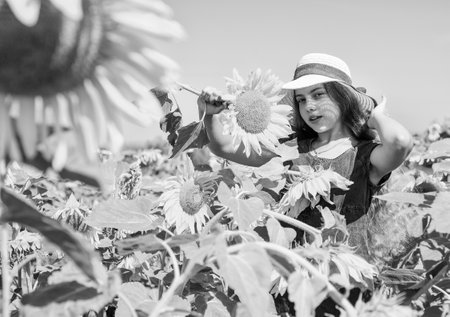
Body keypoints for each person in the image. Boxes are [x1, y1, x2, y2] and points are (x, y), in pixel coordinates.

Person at [198, 53, 414, 315]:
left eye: (319, 94)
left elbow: (400, 141)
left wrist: (374, 115)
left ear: (344, 98)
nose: (309, 106)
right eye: (301, 100)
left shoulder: (365, 157)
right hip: (293, 287)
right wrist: (208, 115)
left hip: (347, 288)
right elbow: (223, 147)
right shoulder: (292, 149)